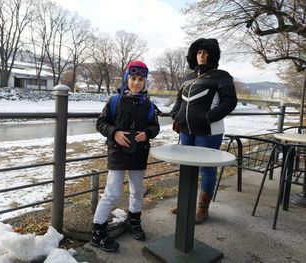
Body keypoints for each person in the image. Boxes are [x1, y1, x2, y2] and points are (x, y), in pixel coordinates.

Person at [90, 60, 160, 252]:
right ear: (126, 79)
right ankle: (97, 232)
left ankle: (134, 221)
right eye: (133, 78)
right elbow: (101, 123)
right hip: (117, 153)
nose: (136, 83)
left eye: (140, 79)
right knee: (112, 192)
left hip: (139, 153)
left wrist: (148, 133)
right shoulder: (114, 101)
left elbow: (155, 127)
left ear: (145, 81)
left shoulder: (149, 104)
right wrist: (114, 133)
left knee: (137, 191)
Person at [169, 38, 237, 224]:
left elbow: (229, 102)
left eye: (206, 52)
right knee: (187, 168)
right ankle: (185, 204)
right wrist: (176, 115)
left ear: (212, 55)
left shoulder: (222, 75)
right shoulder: (188, 78)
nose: (202, 56)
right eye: (199, 52)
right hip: (186, 131)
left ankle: (202, 208)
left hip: (209, 132)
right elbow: (179, 100)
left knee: (206, 170)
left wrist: (207, 117)